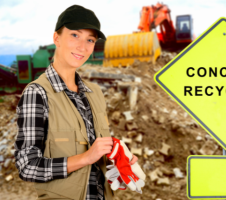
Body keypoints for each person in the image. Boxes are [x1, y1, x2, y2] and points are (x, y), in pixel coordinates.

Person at [14, 4, 138, 200]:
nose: (83, 47)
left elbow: (98, 152)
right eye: (75, 35)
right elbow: (27, 167)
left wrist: (119, 159)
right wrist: (85, 158)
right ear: (57, 38)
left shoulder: (95, 92)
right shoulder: (37, 93)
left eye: (90, 40)